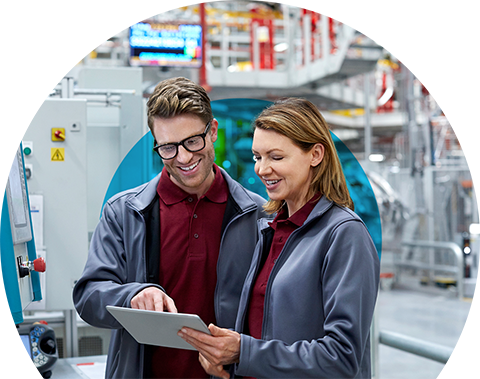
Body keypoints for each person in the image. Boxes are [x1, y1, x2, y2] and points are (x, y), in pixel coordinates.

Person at [73, 77, 267, 379]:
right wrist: (133, 294)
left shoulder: (257, 216)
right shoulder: (124, 213)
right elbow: (88, 296)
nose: (184, 157)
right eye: (168, 148)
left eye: (192, 141)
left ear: (212, 130)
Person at [178, 98, 380, 379]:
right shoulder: (272, 229)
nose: (261, 169)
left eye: (276, 157)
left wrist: (243, 352)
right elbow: (265, 332)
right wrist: (228, 359)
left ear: (316, 154)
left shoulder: (344, 234)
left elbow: (341, 358)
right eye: (257, 157)